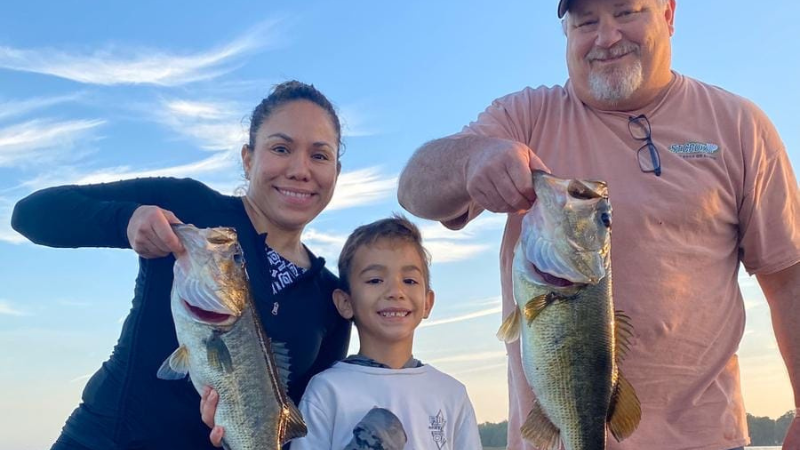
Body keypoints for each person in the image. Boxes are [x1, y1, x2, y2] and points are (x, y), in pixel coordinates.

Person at [396, 0, 800, 449]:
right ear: (567, 33)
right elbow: (413, 189)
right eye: (586, 21)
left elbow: (789, 281)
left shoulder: (740, 126)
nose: (606, 37)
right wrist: (472, 158)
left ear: (668, 14)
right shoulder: (524, 117)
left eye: (626, 12)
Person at [10, 80, 352, 450]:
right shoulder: (188, 207)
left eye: (320, 156)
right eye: (281, 148)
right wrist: (127, 220)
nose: (300, 169)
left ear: (336, 171)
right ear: (248, 158)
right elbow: (32, 214)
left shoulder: (332, 298)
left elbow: (307, 420)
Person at [201, 216, 483, 449]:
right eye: (375, 280)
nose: (395, 292)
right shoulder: (327, 390)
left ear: (428, 302)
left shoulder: (452, 394)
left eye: (409, 280)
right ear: (345, 302)